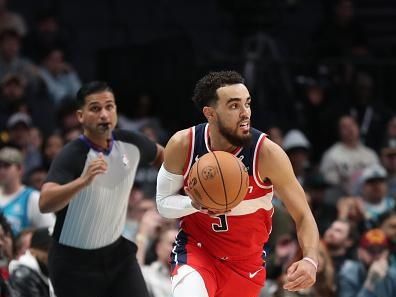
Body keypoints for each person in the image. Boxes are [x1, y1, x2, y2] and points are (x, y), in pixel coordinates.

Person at [156, 71, 319, 297]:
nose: (245, 113)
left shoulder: (267, 154)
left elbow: (303, 215)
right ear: (210, 113)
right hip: (197, 252)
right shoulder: (183, 144)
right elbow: (162, 204)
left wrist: (310, 259)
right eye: (234, 106)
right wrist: (197, 204)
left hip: (245, 264)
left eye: (248, 104)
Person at [39, 81, 164, 297]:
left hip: (117, 255)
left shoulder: (131, 142)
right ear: (80, 116)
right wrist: (83, 181)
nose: (104, 115)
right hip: (73, 264)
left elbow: (165, 157)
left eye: (109, 107)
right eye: (95, 109)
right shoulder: (72, 154)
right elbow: (45, 203)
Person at [0, 146, 55, 235]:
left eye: (6, 166)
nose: (1, 170)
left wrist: (30, 236)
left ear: (20, 169)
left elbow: (51, 229)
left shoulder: (33, 197)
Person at [8, 227, 53, 297]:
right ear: (33, 251)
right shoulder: (23, 277)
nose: (50, 254)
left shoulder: (45, 271)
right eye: (46, 250)